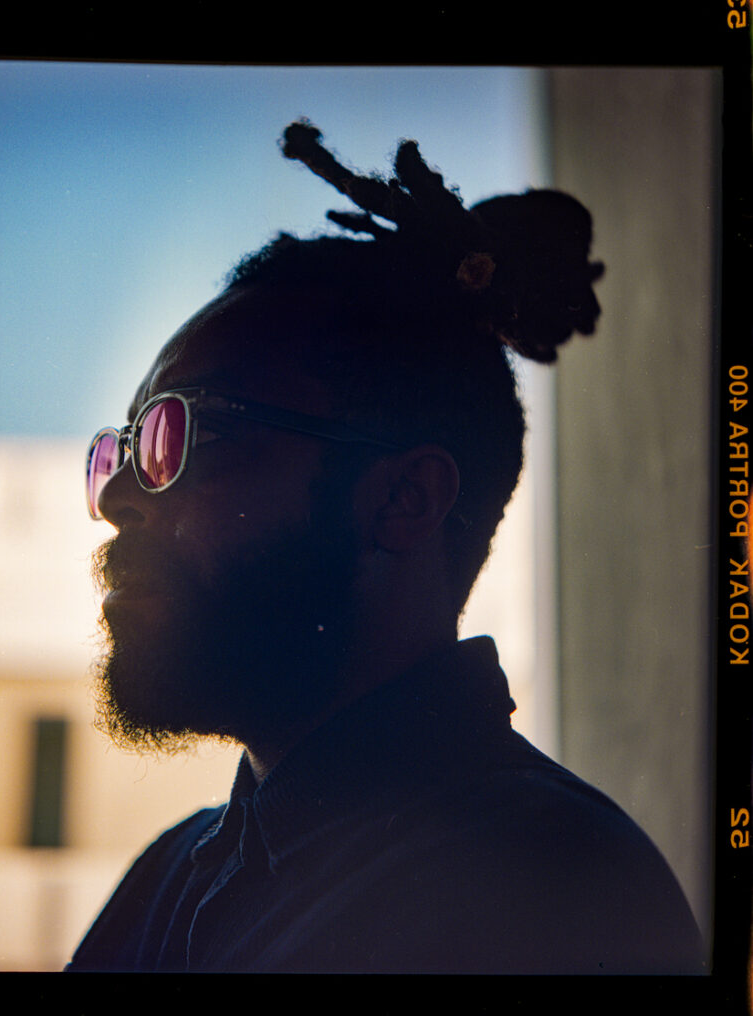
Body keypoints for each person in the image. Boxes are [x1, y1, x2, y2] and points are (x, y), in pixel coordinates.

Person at [65, 121, 704, 973]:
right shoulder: (166, 881)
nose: (115, 498)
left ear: (403, 500)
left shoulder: (553, 887)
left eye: (182, 433)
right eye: (124, 447)